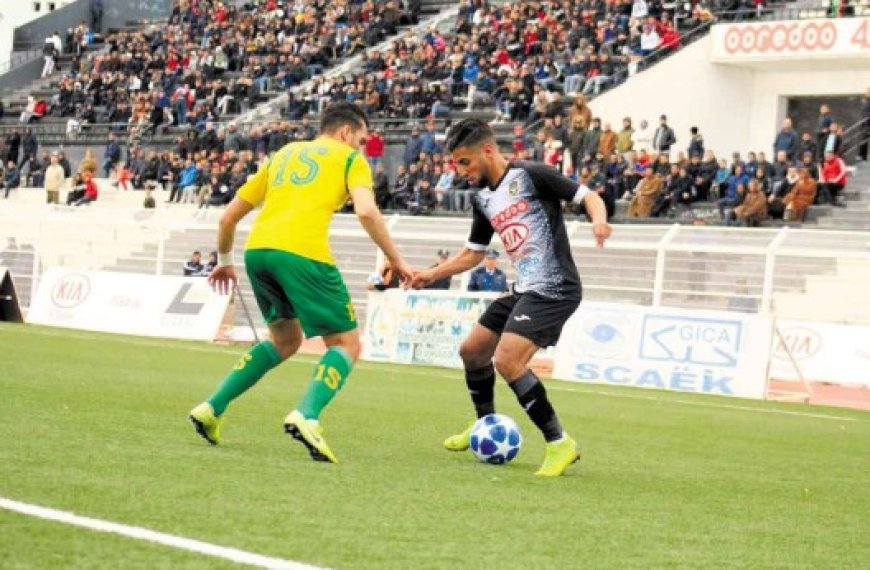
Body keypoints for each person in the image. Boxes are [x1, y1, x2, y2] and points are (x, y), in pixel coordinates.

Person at [190, 102, 412, 464]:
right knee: (347, 344)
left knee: (285, 339)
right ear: (345, 133)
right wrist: (396, 259)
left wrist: (225, 262)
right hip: (302, 254)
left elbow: (228, 217)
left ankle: (211, 408)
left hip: (258, 252)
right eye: (361, 140)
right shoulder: (349, 159)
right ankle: (307, 415)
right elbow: (367, 211)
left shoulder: (284, 154)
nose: (361, 147)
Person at [410, 119, 612, 477]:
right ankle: (484, 424)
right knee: (472, 350)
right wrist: (430, 274)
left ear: (488, 150)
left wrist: (599, 220)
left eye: (464, 162)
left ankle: (559, 443)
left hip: (555, 288)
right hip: (525, 288)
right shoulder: (483, 199)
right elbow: (473, 254)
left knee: (507, 359)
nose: (461, 171)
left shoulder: (532, 175)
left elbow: (589, 197)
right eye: (456, 164)